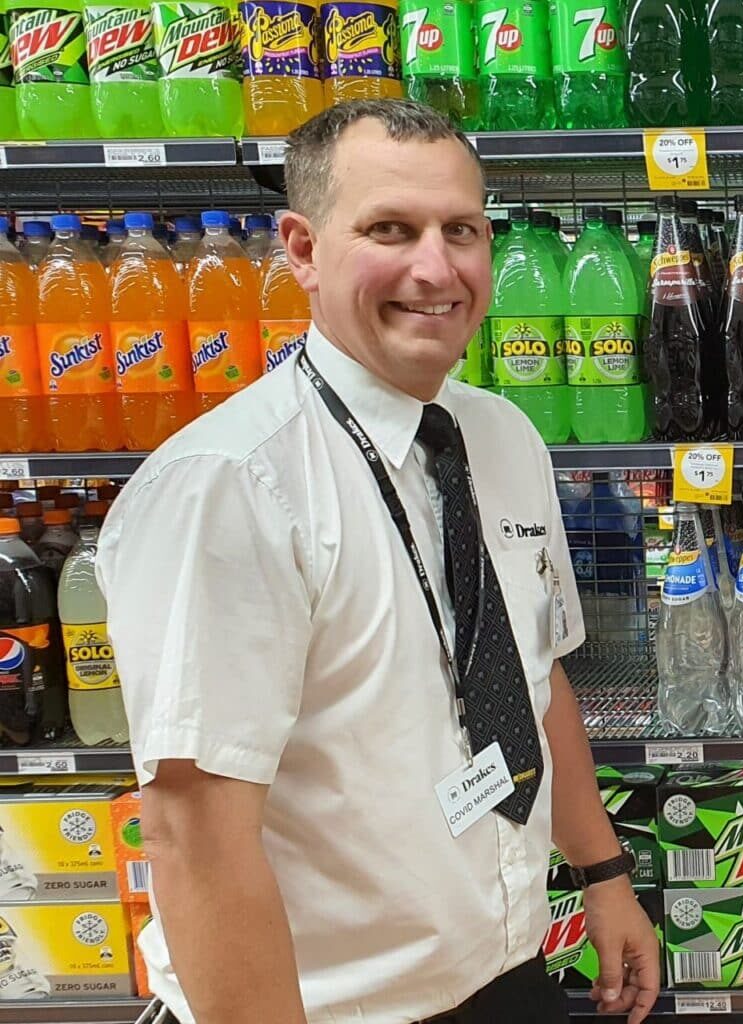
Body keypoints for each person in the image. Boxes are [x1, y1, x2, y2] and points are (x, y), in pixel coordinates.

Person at [99, 100, 660, 1024]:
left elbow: (531, 672)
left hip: (503, 967)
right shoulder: (228, 488)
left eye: (462, 230)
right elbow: (192, 831)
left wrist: (602, 872)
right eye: (390, 230)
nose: (436, 269)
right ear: (304, 249)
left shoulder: (503, 434)